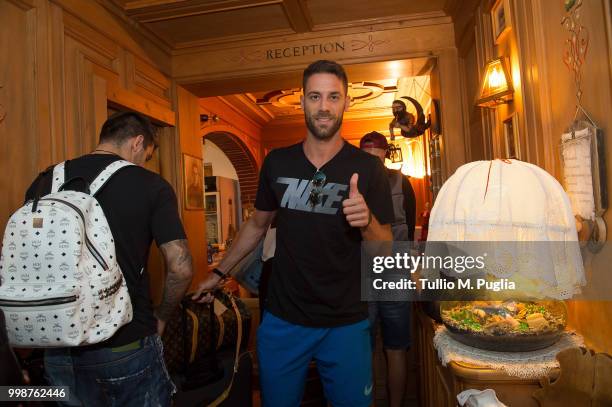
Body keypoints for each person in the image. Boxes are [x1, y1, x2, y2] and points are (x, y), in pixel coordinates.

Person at [192, 60, 394, 407]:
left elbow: (384, 252)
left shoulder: (368, 168)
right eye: (315, 96)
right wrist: (220, 272)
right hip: (284, 319)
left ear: (347, 102)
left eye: (333, 97)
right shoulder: (277, 163)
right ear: (302, 102)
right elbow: (256, 226)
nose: (324, 106)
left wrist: (367, 221)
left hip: (345, 322)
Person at [24, 111, 193, 406]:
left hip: (56, 344)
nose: (144, 162)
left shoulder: (44, 181)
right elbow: (180, 268)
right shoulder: (151, 185)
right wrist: (162, 316)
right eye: (148, 155)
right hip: (124, 343)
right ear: (138, 143)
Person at [360, 130, 416, 407]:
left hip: (378, 269)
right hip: (387, 269)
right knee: (393, 348)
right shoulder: (401, 182)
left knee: (372, 347)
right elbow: (411, 230)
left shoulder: (353, 183)